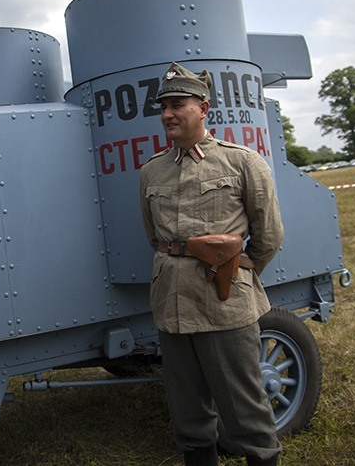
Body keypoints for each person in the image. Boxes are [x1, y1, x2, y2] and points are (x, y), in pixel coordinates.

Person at [139, 63, 284, 466]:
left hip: (225, 306)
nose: (168, 113)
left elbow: (269, 234)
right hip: (172, 304)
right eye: (163, 106)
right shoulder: (152, 171)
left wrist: (236, 271)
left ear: (203, 108)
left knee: (246, 411)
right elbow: (156, 237)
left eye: (178, 104)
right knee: (188, 415)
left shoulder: (242, 163)